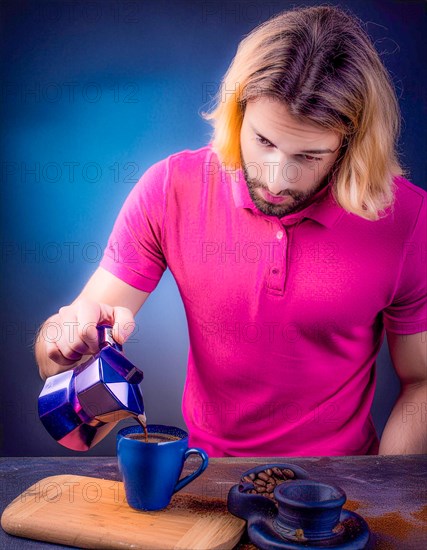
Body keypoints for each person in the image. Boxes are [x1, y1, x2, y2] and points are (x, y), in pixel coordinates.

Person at [35, 5, 426, 457]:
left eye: (310, 156)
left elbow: (421, 382)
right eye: (264, 141)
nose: (279, 180)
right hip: (207, 478)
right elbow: (56, 363)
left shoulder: (406, 218)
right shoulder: (170, 189)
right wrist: (64, 340)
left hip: (340, 491)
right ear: (238, 113)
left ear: (350, 144)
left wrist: (384, 494)